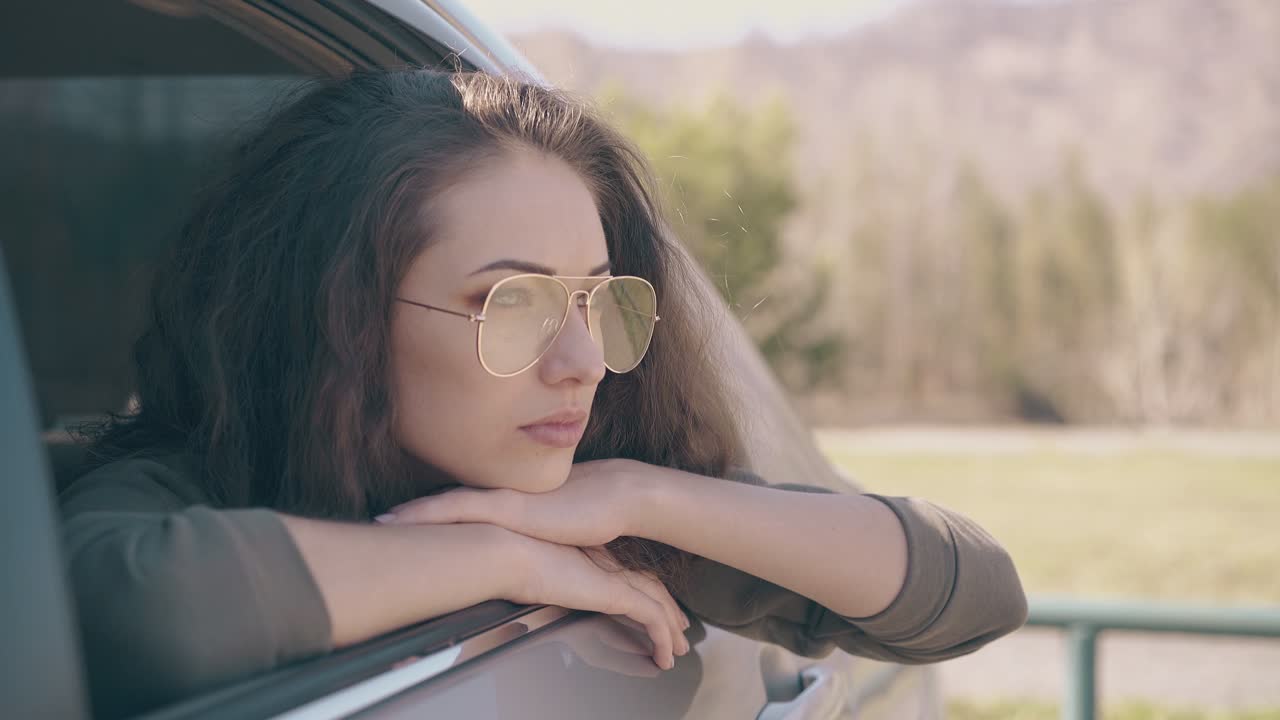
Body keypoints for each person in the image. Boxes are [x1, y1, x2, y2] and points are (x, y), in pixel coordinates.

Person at [61, 69, 1027, 719]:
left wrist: (637, 498)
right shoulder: (183, 487)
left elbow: (979, 593)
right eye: (511, 302)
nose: (586, 360)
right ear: (334, 316)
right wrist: (496, 559)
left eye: (599, 301)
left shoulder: (598, 508)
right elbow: (130, 618)